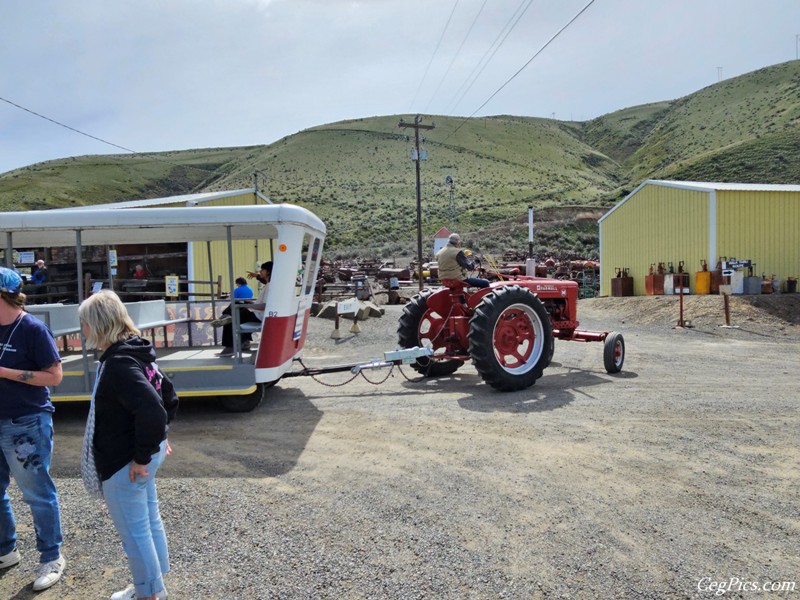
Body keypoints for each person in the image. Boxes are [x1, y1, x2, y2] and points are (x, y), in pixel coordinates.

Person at [78, 290, 178, 600]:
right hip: (144, 453)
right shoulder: (137, 352)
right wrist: (158, 439)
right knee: (148, 519)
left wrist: (141, 455)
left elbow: (154, 408)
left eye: (84, 324)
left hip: (127, 462)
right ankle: (155, 581)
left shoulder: (119, 363)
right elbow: (169, 395)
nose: (82, 331)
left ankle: (149, 592)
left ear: (98, 325)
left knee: (135, 533)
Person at [0, 267, 66, 591]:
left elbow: (54, 376)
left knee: (37, 494)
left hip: (26, 423)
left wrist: (4, 372)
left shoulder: (32, 329)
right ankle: (5, 551)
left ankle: (51, 558)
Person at [211, 262, 272, 357]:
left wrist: (249, 306)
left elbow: (265, 306)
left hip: (258, 314)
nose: (260, 272)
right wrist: (250, 304)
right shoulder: (269, 284)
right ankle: (244, 341)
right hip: (257, 311)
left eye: (263, 270)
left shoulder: (270, 286)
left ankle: (229, 347)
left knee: (232, 318)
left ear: (268, 272)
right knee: (236, 304)